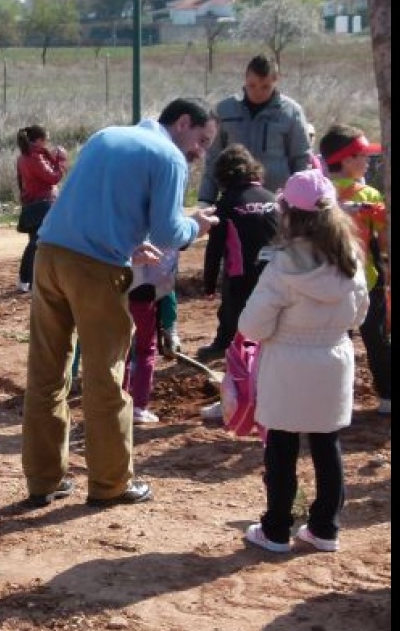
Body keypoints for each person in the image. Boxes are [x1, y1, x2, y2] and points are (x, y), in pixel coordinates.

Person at [22, 98, 219, 509]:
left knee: (46, 374)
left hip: (49, 256)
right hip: (96, 273)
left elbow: (92, 207)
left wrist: (128, 244)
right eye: (202, 139)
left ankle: (44, 481)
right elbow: (169, 231)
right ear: (183, 123)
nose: (200, 151)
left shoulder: (106, 135)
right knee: (105, 378)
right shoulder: (169, 157)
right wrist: (196, 227)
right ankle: (110, 483)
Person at [239, 170, 369, 554]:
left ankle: (276, 530)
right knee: (328, 445)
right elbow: (359, 316)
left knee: (281, 447)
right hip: (334, 358)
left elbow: (252, 324)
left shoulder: (282, 266)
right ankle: (324, 528)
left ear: (288, 213)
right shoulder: (350, 261)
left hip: (288, 362)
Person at [319, 125, 390, 416]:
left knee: (335, 341)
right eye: (362, 155)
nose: (367, 161)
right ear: (347, 160)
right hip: (366, 279)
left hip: (327, 281)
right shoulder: (369, 194)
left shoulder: (318, 189)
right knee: (376, 339)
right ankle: (387, 396)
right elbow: (383, 241)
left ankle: (337, 398)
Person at [197, 145, 280, 362]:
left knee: (233, 310)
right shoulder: (272, 198)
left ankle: (226, 345)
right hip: (277, 271)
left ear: (222, 175)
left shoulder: (226, 204)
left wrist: (208, 283)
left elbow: (214, 248)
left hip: (241, 275)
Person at [197, 54, 312, 205]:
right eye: (252, 85)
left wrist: (301, 200)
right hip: (235, 200)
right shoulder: (224, 110)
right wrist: (206, 199)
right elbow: (213, 157)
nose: (258, 92)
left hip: (277, 202)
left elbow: (301, 159)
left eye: (265, 87)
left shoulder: (291, 112)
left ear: (276, 81)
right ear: (245, 79)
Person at [124, 244, 180, 426]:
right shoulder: (154, 228)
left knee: (120, 350)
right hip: (142, 292)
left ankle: (119, 403)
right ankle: (138, 407)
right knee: (146, 349)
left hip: (117, 288)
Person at [14, 124, 68, 293]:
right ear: (39, 140)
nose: (47, 143)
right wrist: (60, 160)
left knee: (36, 243)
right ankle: (26, 279)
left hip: (33, 203)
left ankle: (30, 279)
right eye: (46, 140)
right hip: (43, 204)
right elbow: (53, 177)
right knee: (39, 243)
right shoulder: (35, 157)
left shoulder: (25, 157)